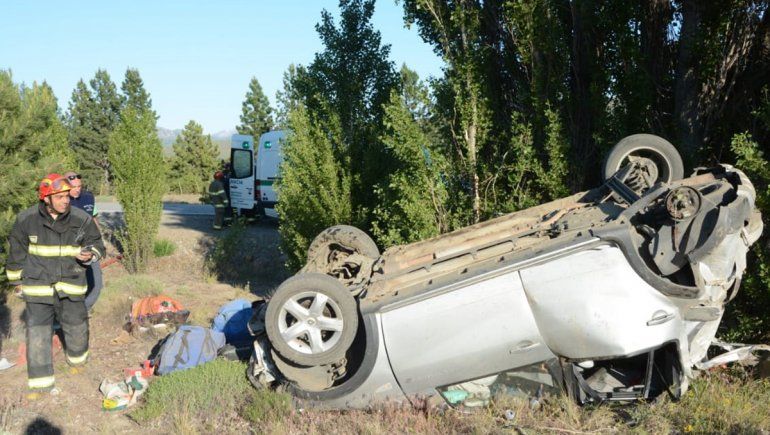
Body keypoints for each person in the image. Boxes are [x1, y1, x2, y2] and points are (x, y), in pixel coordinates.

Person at [5, 173, 104, 395]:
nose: (66, 200)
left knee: (77, 326)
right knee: (38, 333)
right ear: (46, 198)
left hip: (71, 284)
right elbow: (16, 256)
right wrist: (16, 283)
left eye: (67, 196)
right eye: (60, 197)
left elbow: (98, 243)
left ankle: (77, 361)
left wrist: (92, 254)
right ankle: (41, 384)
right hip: (38, 287)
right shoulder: (26, 220)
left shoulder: (80, 218)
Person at [63, 172, 103, 312]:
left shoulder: (88, 197)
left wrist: (100, 241)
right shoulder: (60, 200)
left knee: (96, 284)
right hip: (69, 249)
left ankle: (84, 309)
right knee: (70, 285)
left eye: (79, 186)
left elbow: (94, 218)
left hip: (89, 246)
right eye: (74, 187)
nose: (77, 189)